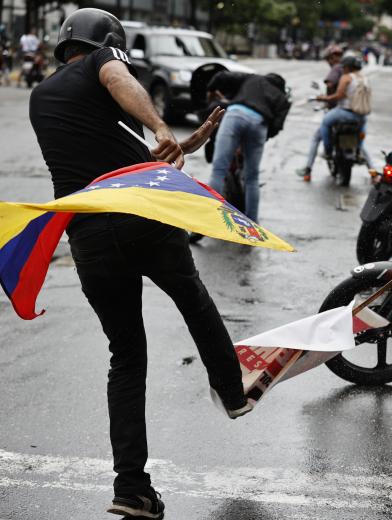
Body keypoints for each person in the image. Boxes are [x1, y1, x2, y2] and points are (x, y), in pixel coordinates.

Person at [28, 8, 250, 518]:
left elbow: (110, 155)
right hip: (139, 218)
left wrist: (178, 147)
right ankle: (233, 391)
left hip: (88, 236)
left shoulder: (42, 97)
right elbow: (115, 76)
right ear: (110, 44)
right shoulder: (104, 64)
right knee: (192, 298)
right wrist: (159, 123)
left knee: (126, 356)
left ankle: (131, 488)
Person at [206, 69, 291, 222]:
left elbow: (221, 75)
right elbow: (276, 126)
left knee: (219, 170)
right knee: (252, 178)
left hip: (235, 116)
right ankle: (253, 225)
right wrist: (261, 137)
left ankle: (206, 220)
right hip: (260, 124)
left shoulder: (253, 78)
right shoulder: (283, 99)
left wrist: (211, 91)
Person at [296, 43, 343, 181]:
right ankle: (374, 173)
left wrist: (325, 96)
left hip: (337, 111)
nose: (329, 61)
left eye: (330, 58)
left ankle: (308, 169)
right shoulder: (350, 71)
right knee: (360, 143)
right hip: (355, 113)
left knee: (317, 136)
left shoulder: (336, 68)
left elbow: (329, 83)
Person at [316, 55, 371, 164]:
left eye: (344, 67)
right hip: (361, 115)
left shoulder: (346, 77)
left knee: (325, 123)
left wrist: (324, 98)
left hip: (344, 112)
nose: (342, 69)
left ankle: (328, 151)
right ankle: (358, 151)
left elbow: (338, 96)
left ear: (348, 67)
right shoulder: (365, 79)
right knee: (362, 129)